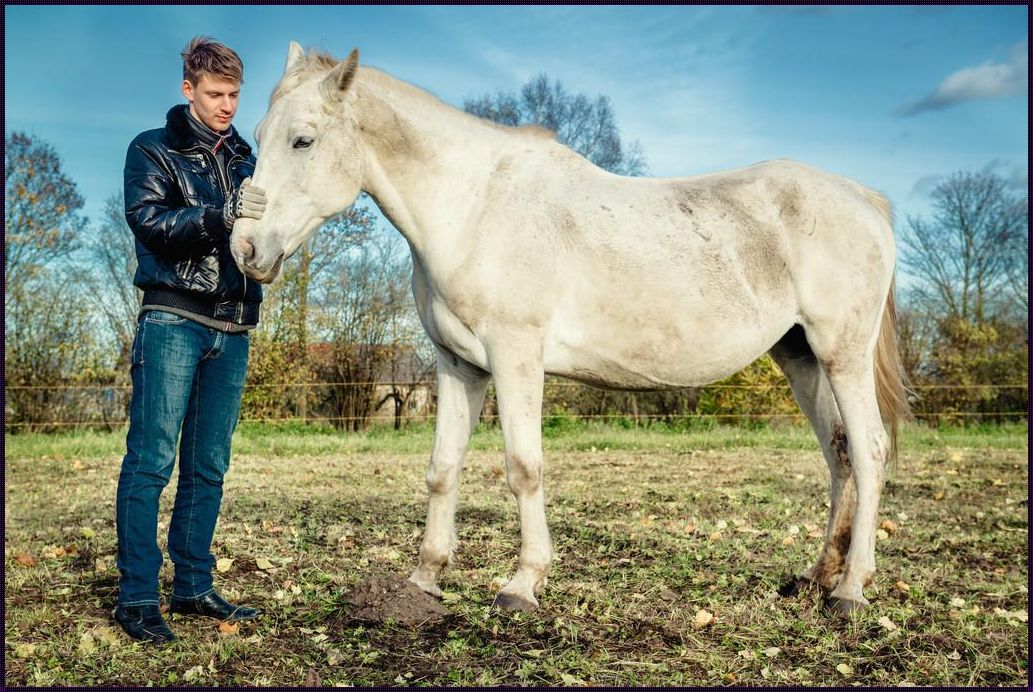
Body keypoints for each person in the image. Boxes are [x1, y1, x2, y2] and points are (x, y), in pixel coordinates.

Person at [114, 36, 267, 644]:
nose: (227, 105)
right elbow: (149, 223)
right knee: (151, 463)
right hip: (173, 319)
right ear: (188, 90)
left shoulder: (249, 156)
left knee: (208, 468)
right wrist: (220, 214)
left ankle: (194, 586)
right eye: (215, 94)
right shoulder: (152, 149)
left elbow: (257, 235)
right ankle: (135, 598)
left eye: (234, 94)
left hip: (233, 326)